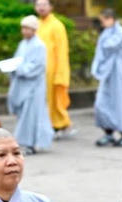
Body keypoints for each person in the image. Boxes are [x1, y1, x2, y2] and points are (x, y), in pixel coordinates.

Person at [7, 17, 54, 154]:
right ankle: (25, 142)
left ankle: (30, 144)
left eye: (27, 28)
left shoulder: (39, 45)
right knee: (23, 114)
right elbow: (17, 60)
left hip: (34, 87)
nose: (24, 31)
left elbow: (37, 66)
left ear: (34, 29)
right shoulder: (23, 44)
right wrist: (11, 67)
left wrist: (20, 69)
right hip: (22, 85)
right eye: (23, 28)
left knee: (31, 115)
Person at [91, 9, 122, 147]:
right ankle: (108, 133)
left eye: (103, 20)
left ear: (110, 18)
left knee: (121, 103)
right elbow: (100, 52)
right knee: (102, 103)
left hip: (120, 74)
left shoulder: (120, 32)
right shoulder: (105, 33)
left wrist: (103, 40)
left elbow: (110, 46)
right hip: (107, 74)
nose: (102, 23)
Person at [35, 0, 73, 138]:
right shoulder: (36, 25)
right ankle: (45, 126)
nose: (41, 8)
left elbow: (62, 51)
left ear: (51, 7)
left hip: (53, 70)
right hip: (39, 71)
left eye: (44, 5)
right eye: (38, 5)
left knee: (54, 100)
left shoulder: (57, 25)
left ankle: (59, 125)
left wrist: (60, 73)